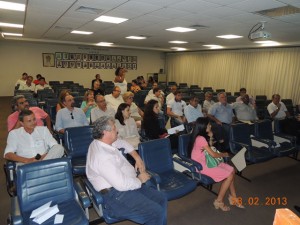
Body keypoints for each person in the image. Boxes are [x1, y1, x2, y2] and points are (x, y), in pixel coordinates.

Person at [86, 116, 167, 225]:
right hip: (116, 195)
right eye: (114, 128)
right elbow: (121, 184)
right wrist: (140, 180)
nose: (117, 130)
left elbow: (122, 142)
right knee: (156, 212)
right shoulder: (102, 156)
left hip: (127, 185)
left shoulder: (102, 142)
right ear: (106, 132)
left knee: (161, 198)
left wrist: (137, 157)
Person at [187, 117, 244, 211]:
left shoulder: (201, 136)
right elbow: (213, 154)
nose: (210, 125)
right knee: (229, 175)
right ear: (204, 126)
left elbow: (210, 149)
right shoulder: (200, 138)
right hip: (201, 166)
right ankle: (219, 201)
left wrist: (211, 136)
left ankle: (233, 197)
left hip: (207, 161)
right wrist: (224, 154)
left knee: (232, 170)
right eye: (209, 124)